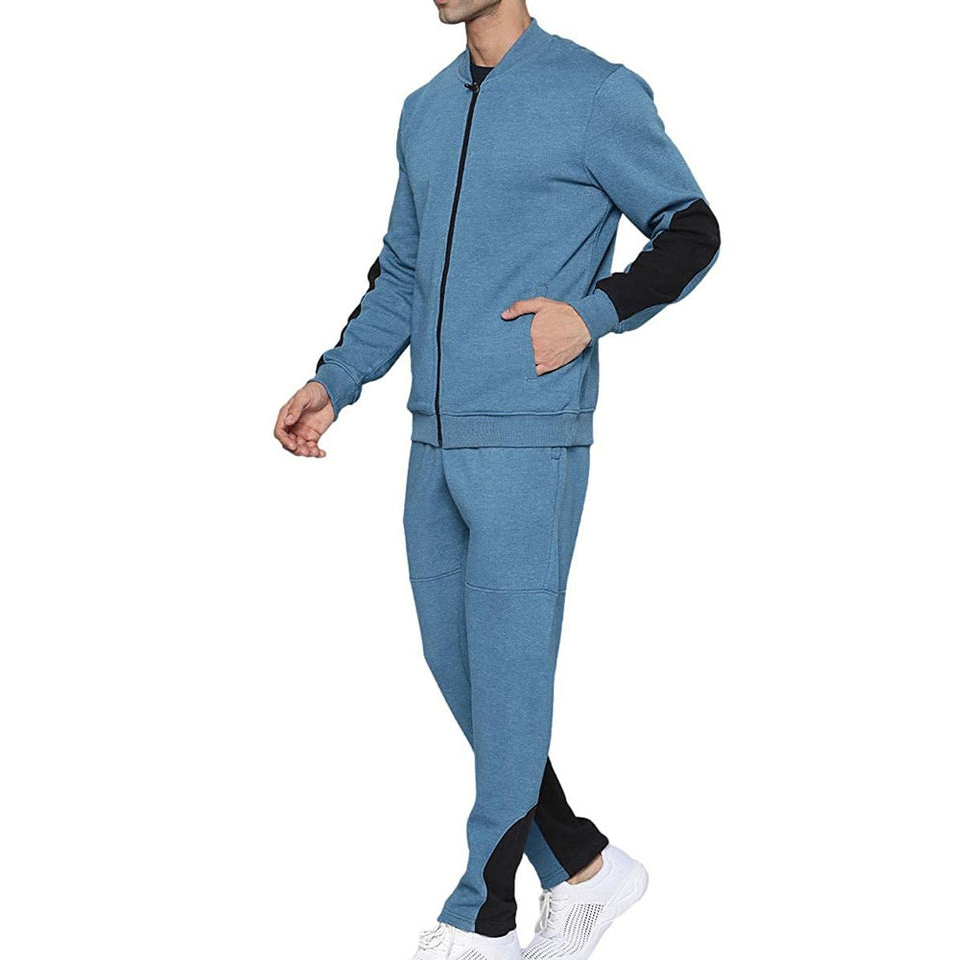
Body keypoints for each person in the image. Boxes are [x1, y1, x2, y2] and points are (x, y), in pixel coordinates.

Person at [274, 2, 719, 957]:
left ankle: (482, 913)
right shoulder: (425, 109)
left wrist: (592, 314)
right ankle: (588, 866)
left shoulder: (595, 93)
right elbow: (401, 273)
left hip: (529, 438)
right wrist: (334, 382)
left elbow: (691, 229)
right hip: (431, 440)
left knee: (510, 680)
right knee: (467, 672)